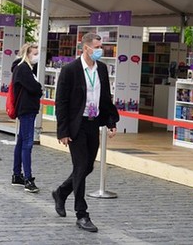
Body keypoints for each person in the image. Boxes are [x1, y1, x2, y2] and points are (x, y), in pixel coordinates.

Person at [52, 32, 119, 233]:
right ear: (86, 48)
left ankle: (61, 192)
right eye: (97, 47)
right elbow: (61, 102)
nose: (100, 50)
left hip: (93, 123)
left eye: (101, 47)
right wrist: (62, 130)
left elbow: (105, 97)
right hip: (76, 125)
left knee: (88, 167)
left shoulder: (102, 69)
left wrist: (110, 121)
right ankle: (82, 214)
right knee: (80, 166)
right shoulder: (70, 70)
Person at [10, 42, 43, 193]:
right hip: (26, 109)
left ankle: (17, 175)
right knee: (27, 143)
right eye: (34, 54)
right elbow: (35, 88)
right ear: (26, 54)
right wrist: (38, 88)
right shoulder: (23, 69)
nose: (36, 57)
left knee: (22, 141)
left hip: (27, 108)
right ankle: (28, 179)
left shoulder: (25, 68)